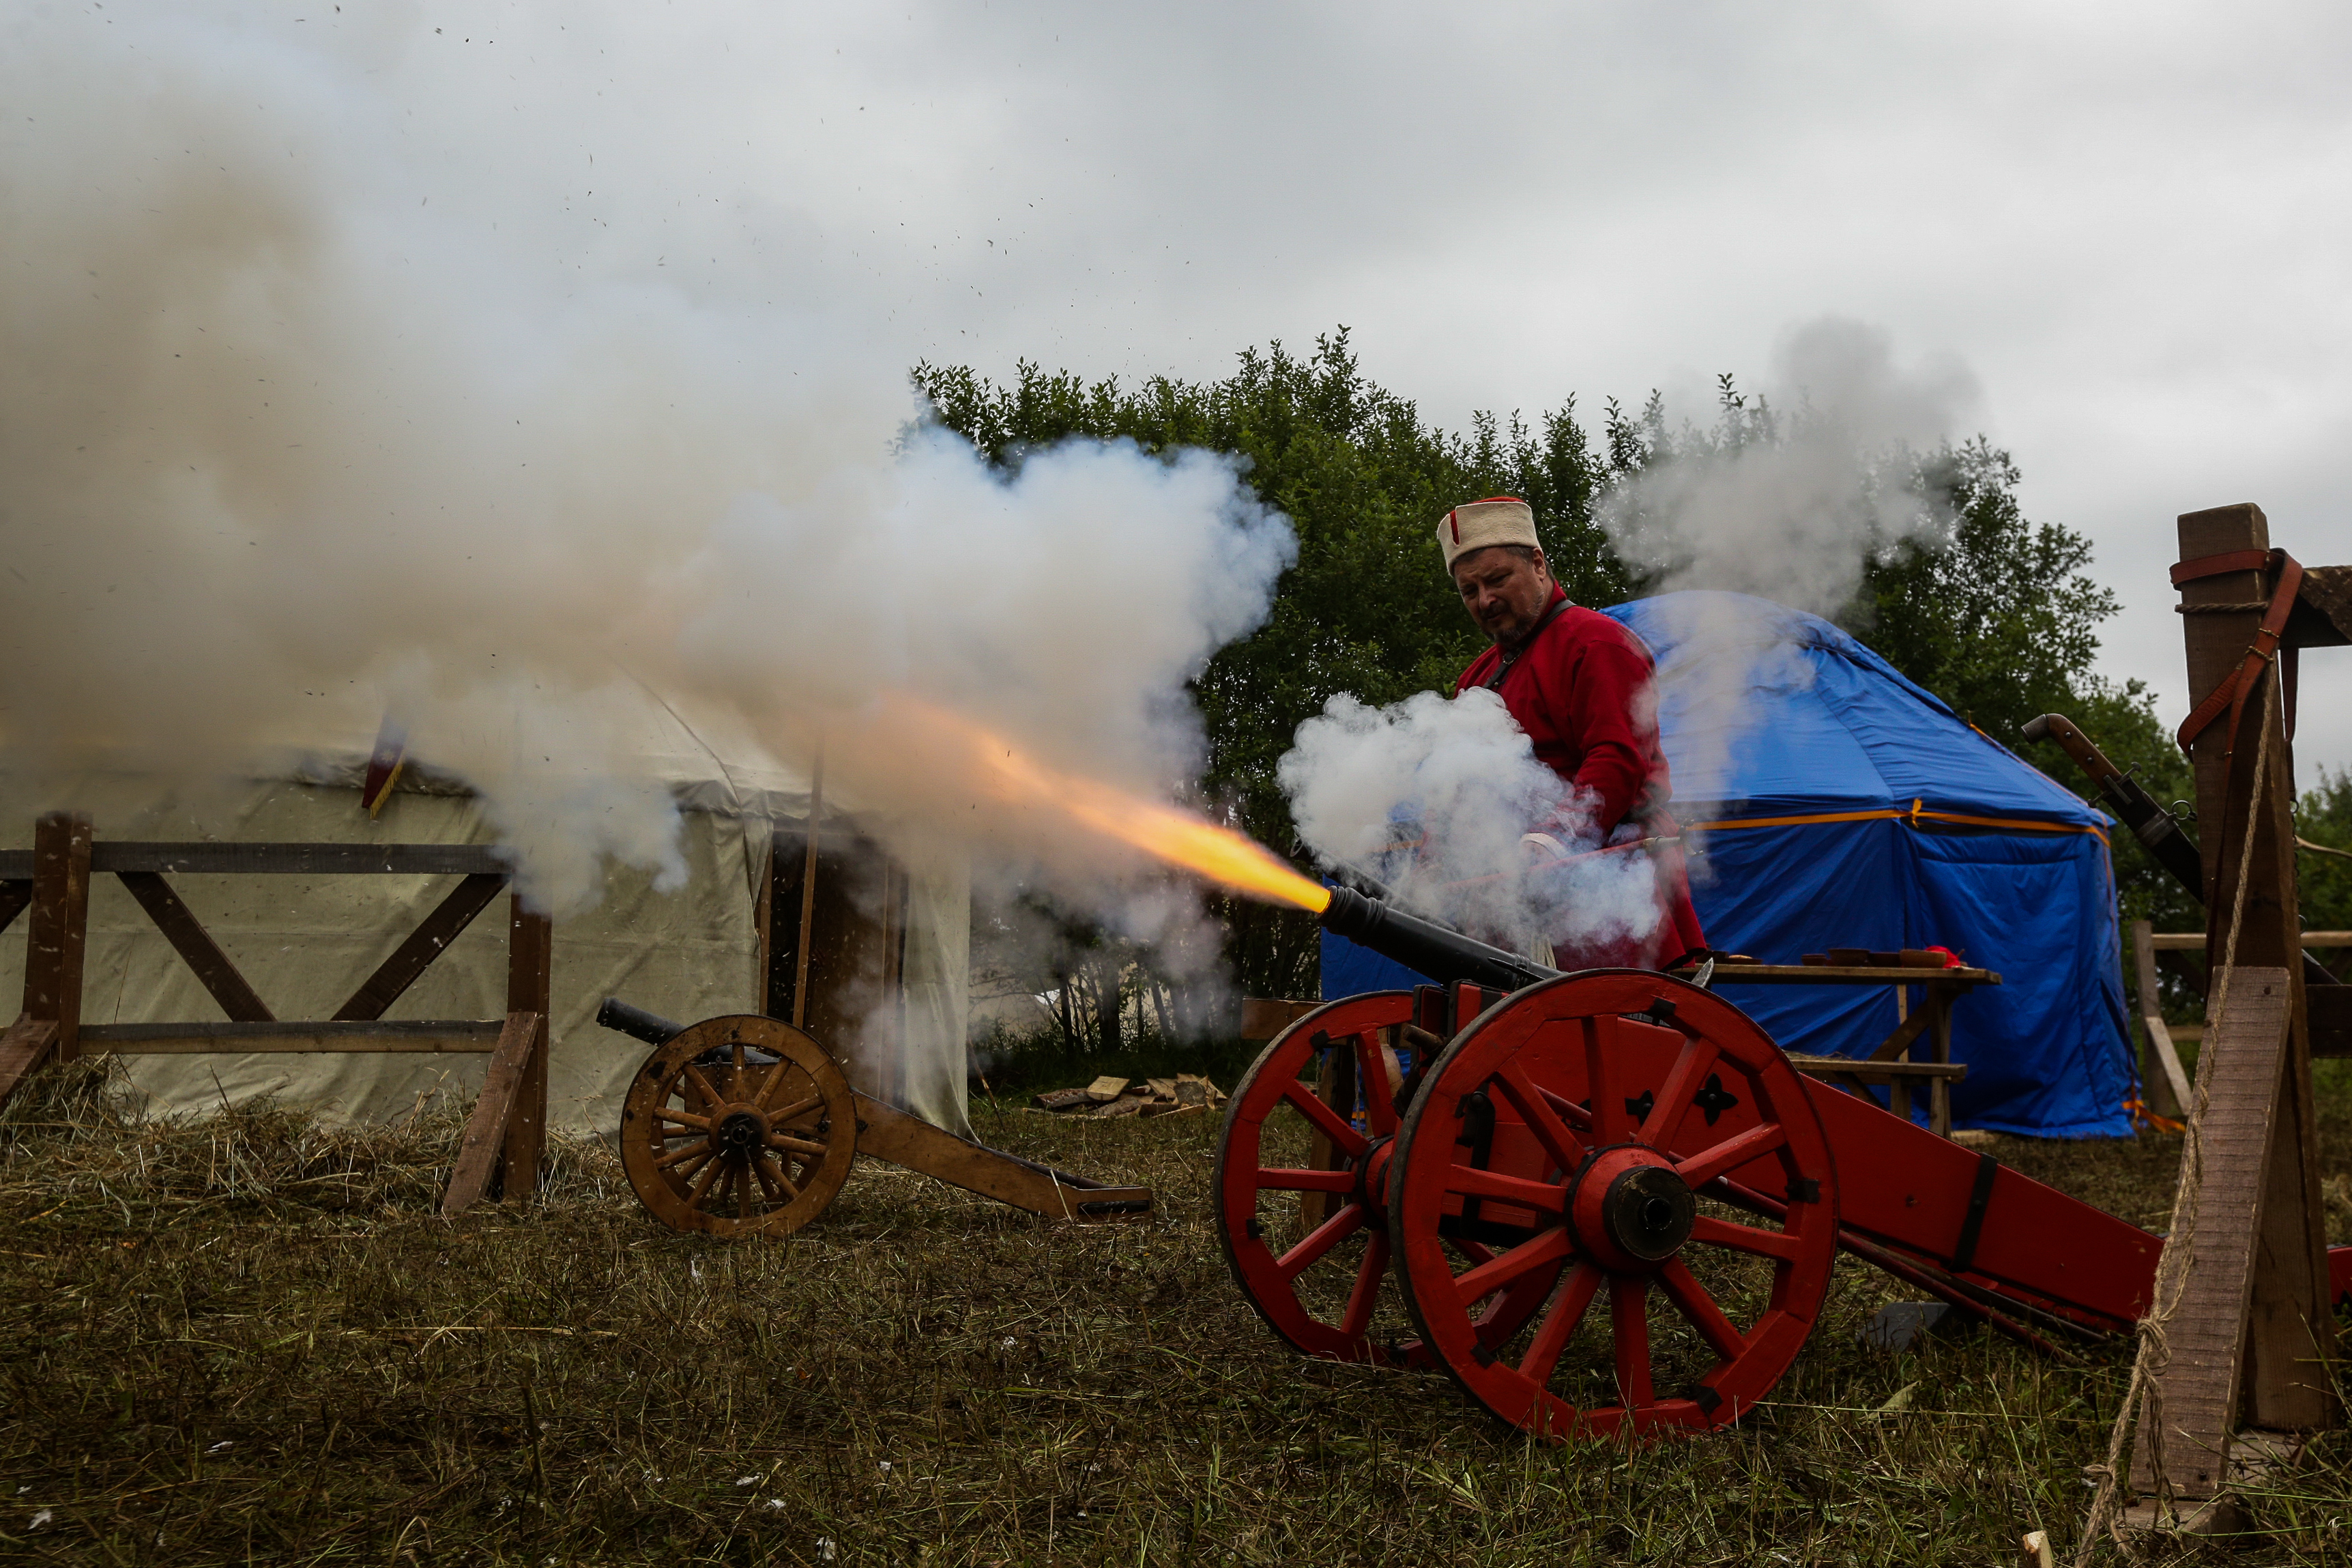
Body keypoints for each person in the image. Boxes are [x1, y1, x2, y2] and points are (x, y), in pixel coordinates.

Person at [1440, 495, 1704, 970]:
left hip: (1608, 887)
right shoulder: (1474, 679)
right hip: (1514, 899)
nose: (1485, 600)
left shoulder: (1598, 644)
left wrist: (1548, 840)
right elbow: (1460, 792)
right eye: (1469, 590)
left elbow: (1615, 760)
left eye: (1497, 579)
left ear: (1538, 564)